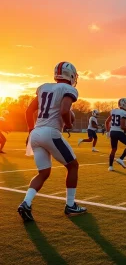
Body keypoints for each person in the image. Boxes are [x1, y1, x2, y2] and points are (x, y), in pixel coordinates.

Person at [18, 61, 87, 222]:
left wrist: (30, 130)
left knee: (43, 173)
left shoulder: (43, 87)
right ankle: (70, 205)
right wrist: (69, 124)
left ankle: (26, 203)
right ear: (70, 75)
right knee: (73, 166)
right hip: (51, 132)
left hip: (36, 133)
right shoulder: (69, 89)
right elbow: (64, 110)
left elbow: (29, 111)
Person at [105, 98, 126, 171]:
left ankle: (110, 166)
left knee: (113, 149)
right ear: (123, 104)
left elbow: (107, 122)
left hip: (112, 132)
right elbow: (122, 126)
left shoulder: (114, 111)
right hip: (118, 132)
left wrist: (108, 132)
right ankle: (121, 159)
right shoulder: (124, 113)